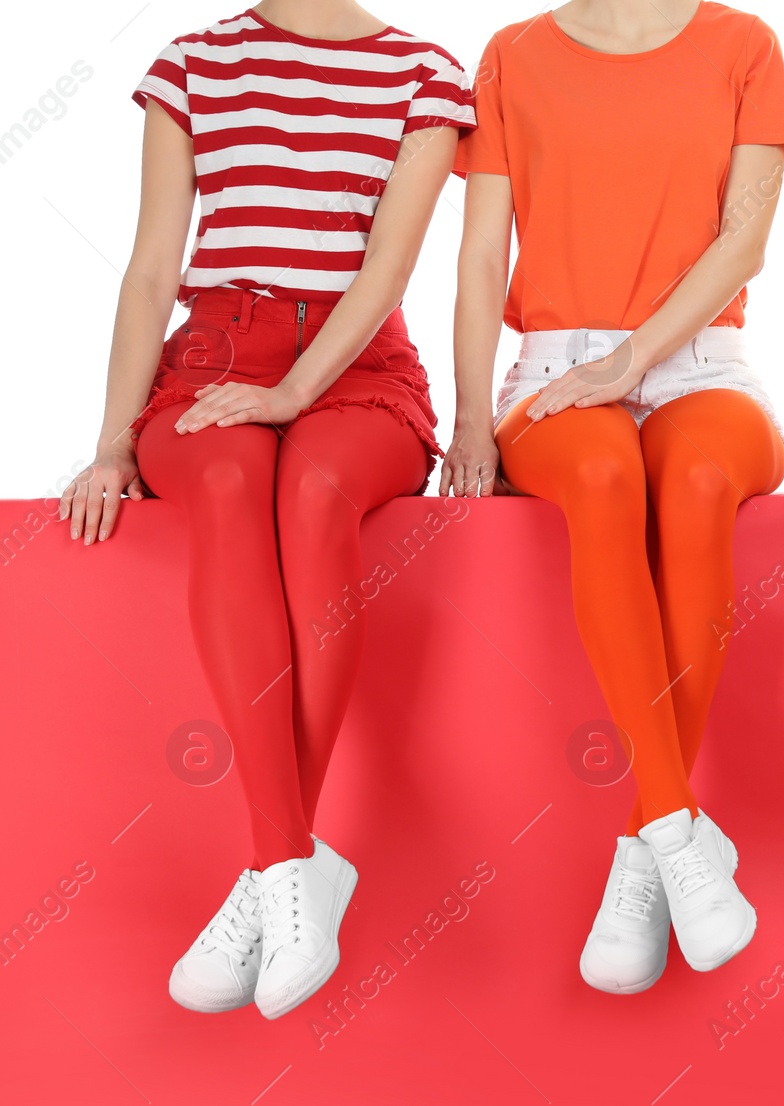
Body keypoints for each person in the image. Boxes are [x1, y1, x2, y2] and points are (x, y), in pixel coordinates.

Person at [57, 1, 474, 1018]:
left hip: (359, 367)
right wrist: (111, 440)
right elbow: (155, 260)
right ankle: (293, 862)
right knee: (236, 485)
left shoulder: (425, 71)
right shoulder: (194, 61)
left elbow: (387, 269)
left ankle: (268, 871)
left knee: (317, 488)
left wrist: (295, 393)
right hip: (210, 356)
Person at [447, 0, 784, 993]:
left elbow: (743, 242)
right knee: (602, 477)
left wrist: (635, 358)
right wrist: (473, 417)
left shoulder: (744, 47)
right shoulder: (513, 55)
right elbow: (481, 253)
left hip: (703, 362)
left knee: (695, 480)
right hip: (556, 367)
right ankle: (676, 829)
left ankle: (648, 838)